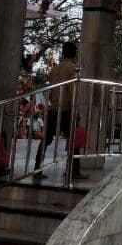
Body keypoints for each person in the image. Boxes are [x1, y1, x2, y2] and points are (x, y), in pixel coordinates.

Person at [34, 42, 80, 180]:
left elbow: (51, 91)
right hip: (66, 109)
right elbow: (72, 91)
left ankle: (37, 169)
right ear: (75, 53)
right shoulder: (73, 68)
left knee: (46, 139)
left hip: (54, 108)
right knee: (73, 141)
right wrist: (75, 111)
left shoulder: (56, 69)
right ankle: (73, 171)